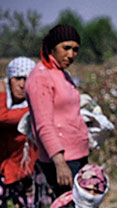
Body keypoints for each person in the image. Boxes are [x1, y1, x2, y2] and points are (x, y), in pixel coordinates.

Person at [25, 23, 89, 198]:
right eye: (66, 48)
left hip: (77, 156)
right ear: (52, 47)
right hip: (63, 159)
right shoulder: (41, 77)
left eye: (76, 49)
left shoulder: (61, 73)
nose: (71, 55)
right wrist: (59, 163)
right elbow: (43, 125)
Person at [0, 57, 40, 208]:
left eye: (28, 79)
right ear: (9, 79)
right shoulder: (3, 99)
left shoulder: (35, 103)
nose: (22, 84)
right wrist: (29, 113)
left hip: (25, 169)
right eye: (18, 78)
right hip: (2, 167)